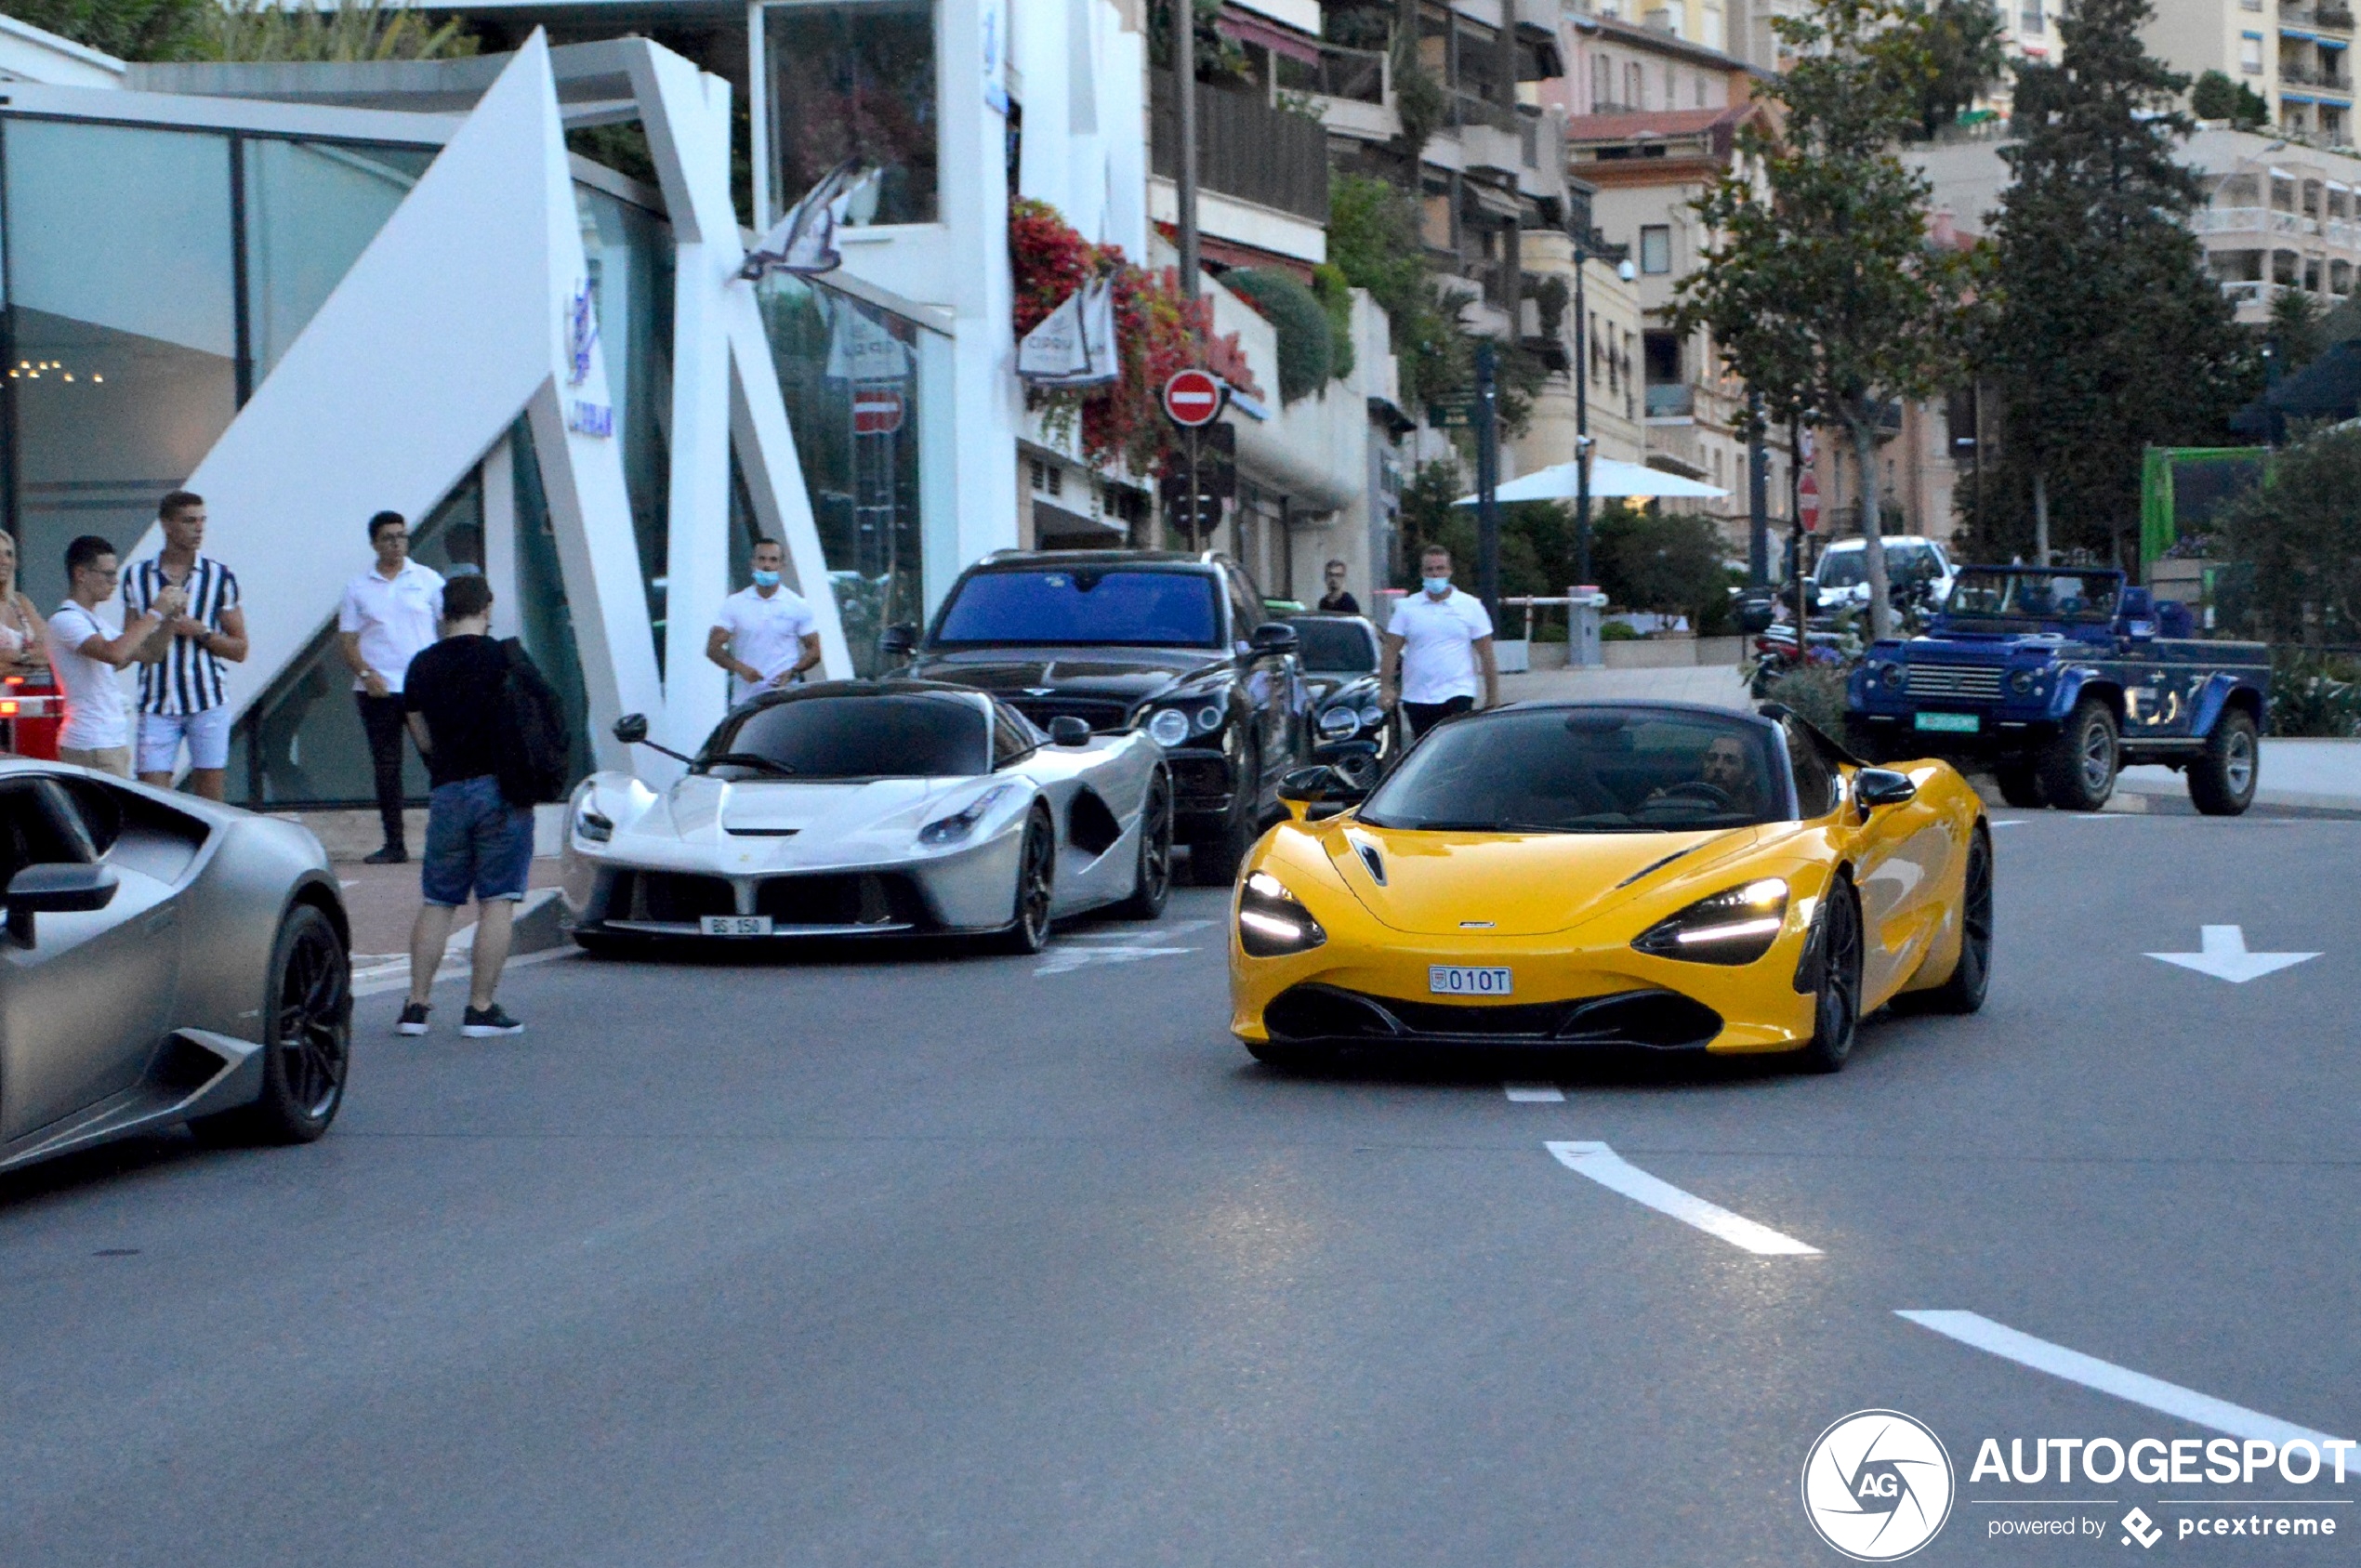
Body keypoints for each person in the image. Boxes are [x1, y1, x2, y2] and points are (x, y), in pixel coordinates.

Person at [397, 573, 535, 1039]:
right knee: (498, 899)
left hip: (447, 790)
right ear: (487, 608)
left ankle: (416, 1006)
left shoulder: (420, 665)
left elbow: (419, 733)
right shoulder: (503, 658)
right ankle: (480, 1008)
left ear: (444, 612)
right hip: (500, 788)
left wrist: (444, 761)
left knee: (438, 899)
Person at [124, 490, 247, 800]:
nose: (198, 528)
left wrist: (199, 631)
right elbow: (130, 643)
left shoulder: (220, 576)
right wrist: (158, 627)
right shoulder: (137, 576)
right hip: (156, 701)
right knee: (153, 799)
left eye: (202, 520)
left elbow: (240, 649)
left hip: (207, 700)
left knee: (211, 799)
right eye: (189, 521)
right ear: (167, 525)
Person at [338, 511, 446, 864]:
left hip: (422, 689)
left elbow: (448, 628)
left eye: (402, 536)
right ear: (374, 543)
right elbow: (349, 640)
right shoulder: (358, 587)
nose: (396, 543)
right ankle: (394, 843)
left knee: (439, 762)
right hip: (378, 690)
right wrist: (368, 675)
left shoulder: (428, 579)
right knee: (387, 767)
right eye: (388, 537)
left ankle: (450, 841)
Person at [46, 535, 182, 778]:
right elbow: (114, 653)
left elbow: (149, 653)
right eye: (107, 574)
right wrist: (156, 612)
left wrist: (171, 617)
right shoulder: (66, 619)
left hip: (107, 742)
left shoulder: (93, 620)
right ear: (81, 574)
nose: (114, 581)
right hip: (92, 743)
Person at [1381, 544, 1498, 741]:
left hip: (1457, 692)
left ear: (1449, 571)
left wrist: (1492, 696)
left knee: (1456, 749)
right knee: (1425, 749)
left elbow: (1486, 653)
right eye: (1430, 569)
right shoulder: (1407, 608)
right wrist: (1385, 687)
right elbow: (1391, 650)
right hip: (1418, 695)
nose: (1435, 574)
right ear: (1422, 573)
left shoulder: (1470, 606)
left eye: (1440, 568)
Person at [706, 538, 820, 705]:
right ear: (753, 563)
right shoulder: (735, 603)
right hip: (746, 700)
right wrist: (741, 669)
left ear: (782, 566)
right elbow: (713, 648)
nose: (767, 565)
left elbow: (815, 650)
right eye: (762, 559)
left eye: (773, 560)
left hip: (785, 698)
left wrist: (793, 672)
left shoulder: (797, 605)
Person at [0, 529, 51, 684]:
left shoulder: (21, 602)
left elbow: (51, 651)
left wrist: (19, 657)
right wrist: (31, 660)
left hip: (28, 698)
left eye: (9, 554)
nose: (4, 561)